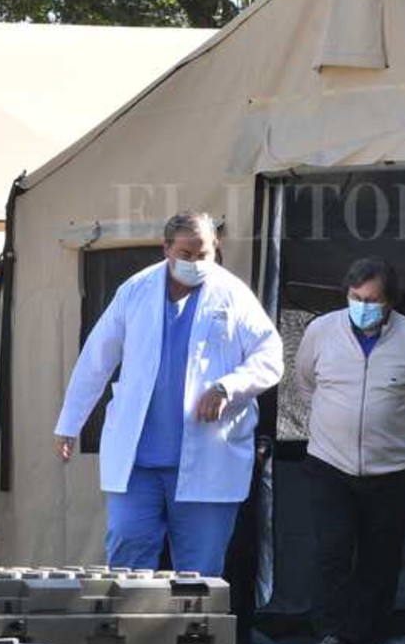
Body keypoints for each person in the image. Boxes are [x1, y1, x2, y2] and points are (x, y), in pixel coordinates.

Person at [54, 211, 283, 577]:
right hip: (139, 463)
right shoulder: (135, 291)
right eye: (185, 254)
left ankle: (192, 635)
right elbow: (96, 358)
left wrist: (229, 387)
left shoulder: (233, 295)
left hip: (208, 458)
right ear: (166, 249)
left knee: (200, 574)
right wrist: (70, 423)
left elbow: (270, 357)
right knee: (127, 557)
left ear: (216, 249)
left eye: (203, 254)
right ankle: (130, 634)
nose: (194, 262)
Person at [294, 258, 405, 644]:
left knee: (380, 560)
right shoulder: (320, 331)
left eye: (372, 300)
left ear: (391, 301)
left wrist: (383, 429)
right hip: (328, 463)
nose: (363, 306)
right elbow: (305, 384)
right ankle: (330, 637)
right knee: (333, 551)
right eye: (355, 298)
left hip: (390, 470)